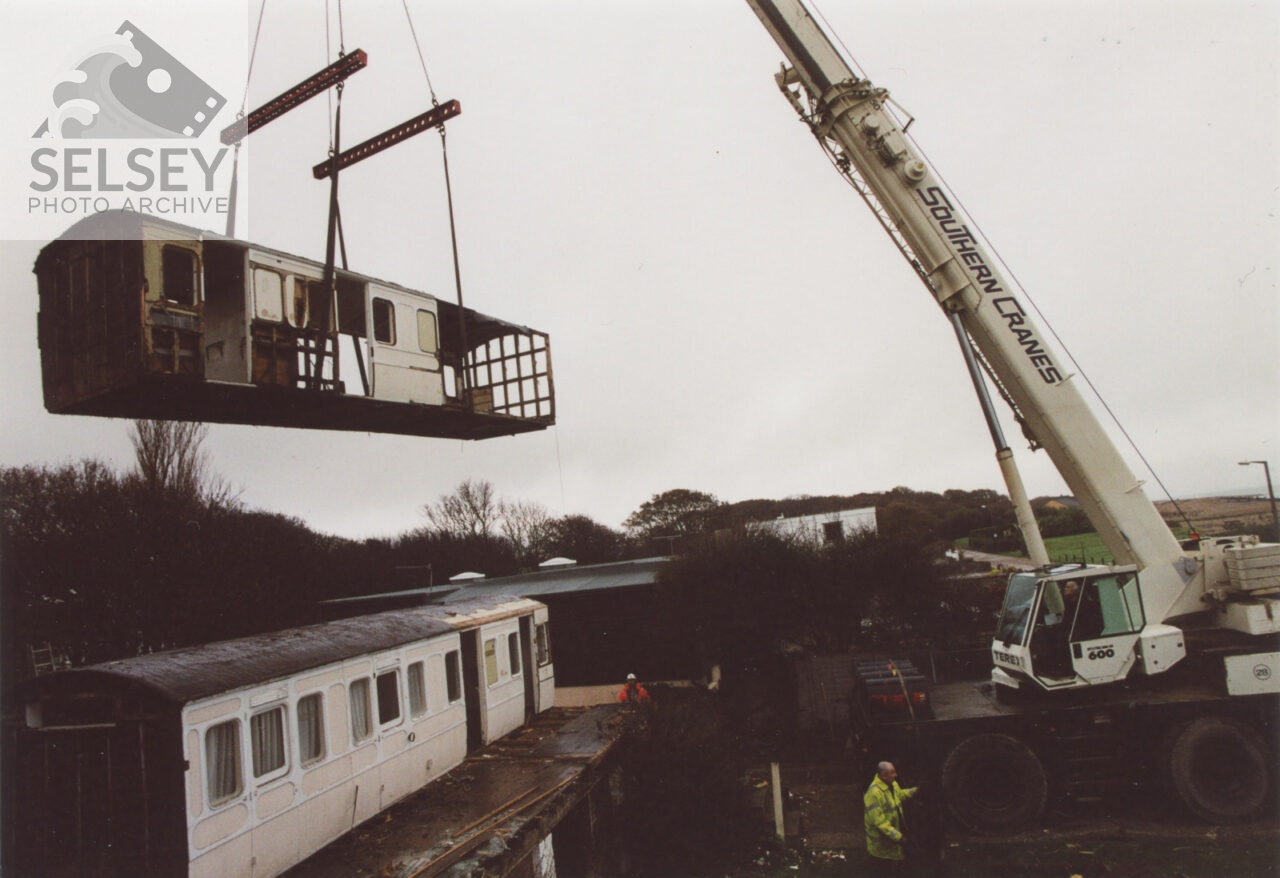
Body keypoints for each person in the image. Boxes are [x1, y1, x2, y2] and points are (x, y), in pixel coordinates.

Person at [864, 761, 918, 874]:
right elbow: (880, 822)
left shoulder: (892, 784)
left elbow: (900, 795)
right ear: (884, 776)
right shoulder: (873, 794)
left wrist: (916, 790)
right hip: (880, 848)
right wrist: (899, 838)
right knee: (883, 871)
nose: (896, 775)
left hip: (890, 841)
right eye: (892, 773)